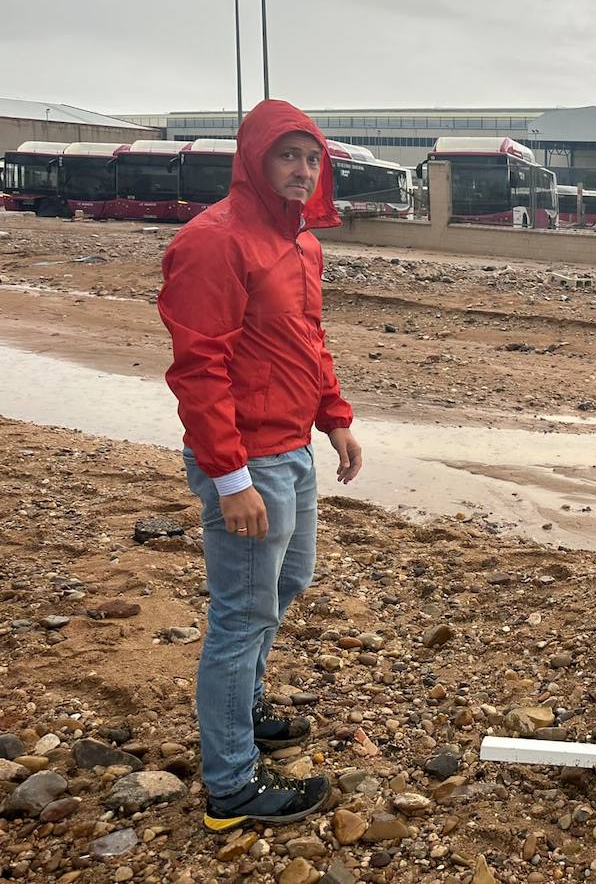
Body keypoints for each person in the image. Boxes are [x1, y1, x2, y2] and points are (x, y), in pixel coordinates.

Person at [159, 100, 363, 832]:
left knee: (288, 581)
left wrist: (333, 417)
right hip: (247, 459)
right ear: (253, 158)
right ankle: (233, 784)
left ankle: (243, 708)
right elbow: (199, 369)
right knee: (241, 612)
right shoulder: (215, 242)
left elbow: (308, 336)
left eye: (312, 159)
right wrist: (231, 476)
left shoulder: (302, 243)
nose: (303, 171)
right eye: (288, 156)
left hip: (292, 450)